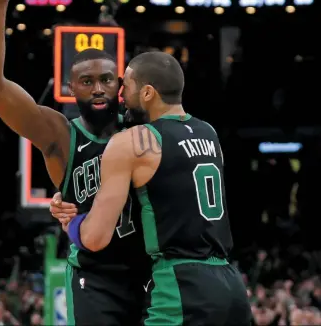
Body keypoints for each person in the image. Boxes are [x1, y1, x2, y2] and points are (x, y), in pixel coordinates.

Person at [0, 0, 149, 326]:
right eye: (87, 81)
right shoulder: (60, 133)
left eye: (107, 79)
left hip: (151, 272)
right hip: (96, 277)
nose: (99, 87)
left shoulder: (142, 127)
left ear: (120, 85)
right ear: (71, 90)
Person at [64, 51, 252, 325]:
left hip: (179, 285)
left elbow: (95, 239)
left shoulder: (134, 140)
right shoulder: (209, 133)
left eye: (126, 86)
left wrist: (71, 222)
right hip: (230, 283)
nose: (120, 95)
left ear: (148, 93)